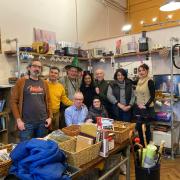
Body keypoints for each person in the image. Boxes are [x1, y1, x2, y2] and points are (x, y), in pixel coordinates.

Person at [10, 59, 52, 141]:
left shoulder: (44, 83)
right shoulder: (21, 82)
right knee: (26, 148)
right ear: (29, 68)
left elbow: (49, 102)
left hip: (43, 123)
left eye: (39, 67)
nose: (37, 69)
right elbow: (13, 102)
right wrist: (18, 120)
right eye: (34, 66)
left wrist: (50, 117)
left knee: (40, 148)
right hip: (26, 123)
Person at [134, 63, 155, 146]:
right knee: (139, 128)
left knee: (146, 129)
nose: (141, 72)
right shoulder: (139, 80)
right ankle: (141, 146)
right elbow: (130, 82)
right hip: (139, 108)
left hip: (147, 109)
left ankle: (147, 147)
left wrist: (145, 105)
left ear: (147, 71)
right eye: (139, 71)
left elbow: (153, 96)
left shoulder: (150, 81)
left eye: (143, 70)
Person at [59, 56, 82, 128]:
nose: (73, 73)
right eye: (72, 71)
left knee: (74, 127)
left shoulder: (78, 80)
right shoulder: (62, 80)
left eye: (75, 71)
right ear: (68, 71)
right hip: (65, 108)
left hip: (75, 108)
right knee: (65, 127)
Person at [47, 66, 73, 130]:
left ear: (58, 75)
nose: (53, 74)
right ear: (49, 73)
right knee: (45, 133)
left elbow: (64, 99)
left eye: (55, 73)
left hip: (56, 113)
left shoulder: (60, 86)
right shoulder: (44, 84)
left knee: (55, 132)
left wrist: (74, 103)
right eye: (51, 72)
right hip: (46, 114)